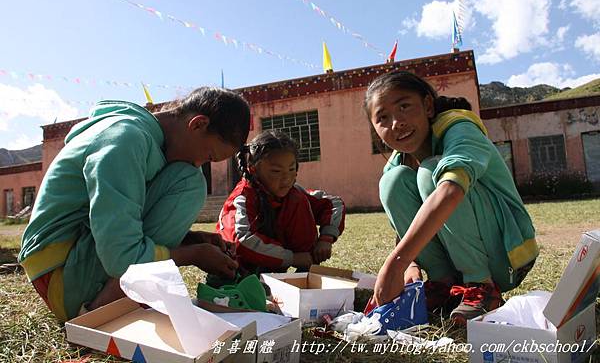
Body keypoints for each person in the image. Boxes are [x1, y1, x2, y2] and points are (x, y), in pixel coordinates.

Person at [18, 87, 250, 322]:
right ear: (198, 124)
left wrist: (190, 239)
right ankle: (97, 311)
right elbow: (122, 258)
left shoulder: (141, 136)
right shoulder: (126, 139)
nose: (199, 164)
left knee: (186, 178)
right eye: (208, 156)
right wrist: (192, 255)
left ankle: (111, 300)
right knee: (189, 182)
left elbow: (117, 219)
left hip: (73, 259)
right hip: (61, 277)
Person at [365, 71, 538, 324]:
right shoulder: (397, 161)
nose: (396, 123)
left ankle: (482, 286)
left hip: (508, 255)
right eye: (382, 118)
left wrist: (396, 264)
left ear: (427, 105)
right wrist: (411, 265)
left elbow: (450, 190)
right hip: (455, 260)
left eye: (404, 106)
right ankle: (444, 286)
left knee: (429, 173)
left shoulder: (459, 128)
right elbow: (406, 225)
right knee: (391, 183)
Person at [214, 130, 345, 279]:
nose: (286, 179)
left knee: (299, 200)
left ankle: (305, 271)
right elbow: (242, 241)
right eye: (276, 171)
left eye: (291, 169)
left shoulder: (294, 193)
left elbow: (333, 203)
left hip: (278, 266)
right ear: (253, 169)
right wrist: (292, 258)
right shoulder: (242, 198)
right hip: (238, 270)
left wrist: (326, 238)